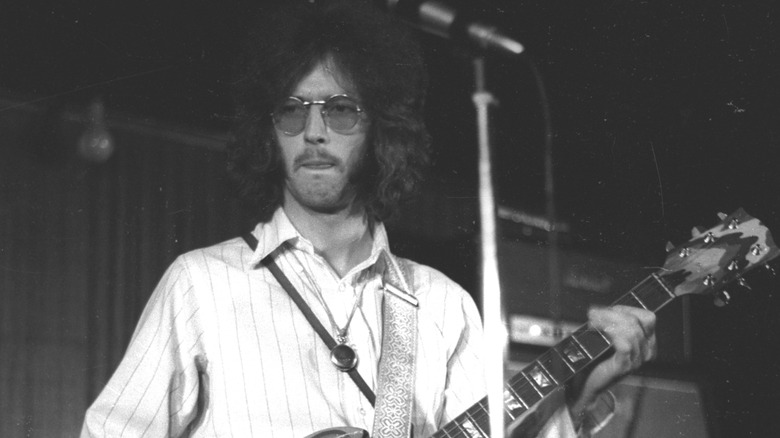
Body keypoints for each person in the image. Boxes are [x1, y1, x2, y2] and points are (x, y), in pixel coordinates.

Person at [81, 1, 656, 436]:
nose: (312, 131)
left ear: (384, 129)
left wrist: (578, 401)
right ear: (268, 130)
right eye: (291, 111)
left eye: (340, 109)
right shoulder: (200, 284)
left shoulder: (441, 305)